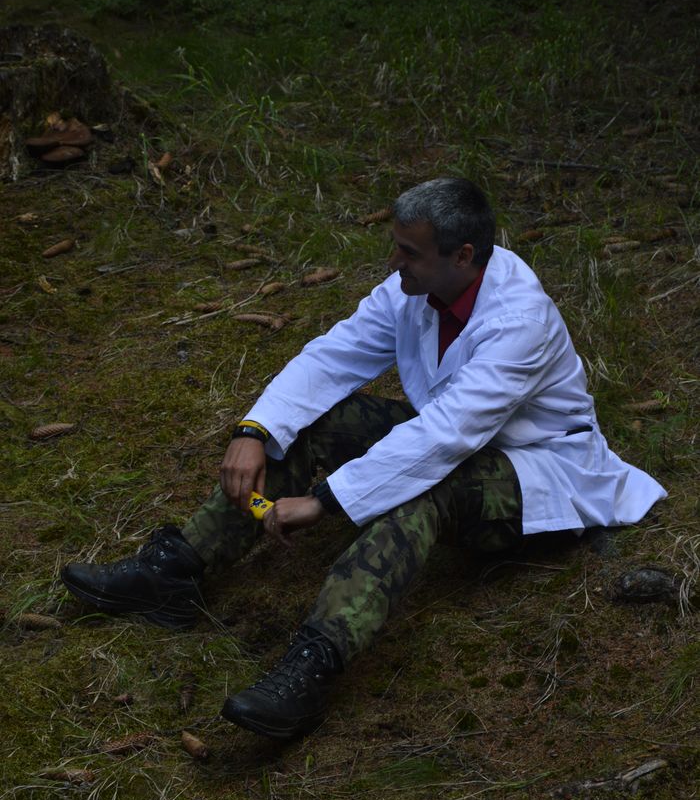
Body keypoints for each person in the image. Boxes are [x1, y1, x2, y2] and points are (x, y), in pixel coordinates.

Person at [61, 178, 666, 740]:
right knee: (321, 419)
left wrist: (324, 501)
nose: (393, 261)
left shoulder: (519, 321)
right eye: (396, 245)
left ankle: (316, 660)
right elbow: (334, 357)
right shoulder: (418, 287)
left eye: (409, 252)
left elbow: (446, 436)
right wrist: (254, 429)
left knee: (422, 491)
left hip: (539, 470)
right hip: (456, 442)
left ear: (462, 256)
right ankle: (176, 570)